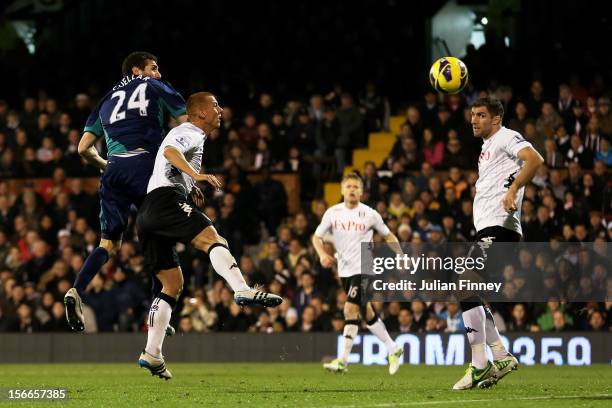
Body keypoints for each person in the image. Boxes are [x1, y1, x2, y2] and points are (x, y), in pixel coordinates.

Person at [135, 92, 282, 379]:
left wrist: (189, 184)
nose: (221, 109)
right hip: (165, 201)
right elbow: (169, 153)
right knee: (214, 239)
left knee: (172, 284)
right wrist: (197, 175)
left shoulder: (191, 134)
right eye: (215, 105)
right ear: (201, 113)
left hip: (148, 213)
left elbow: (168, 164)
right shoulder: (189, 130)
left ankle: (152, 353)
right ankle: (241, 288)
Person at [64, 52, 187, 332]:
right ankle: (159, 313)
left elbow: (83, 147)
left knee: (109, 244)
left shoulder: (106, 99)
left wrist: (106, 164)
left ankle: (77, 290)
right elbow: (186, 122)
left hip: (114, 170)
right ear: (137, 69)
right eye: (154, 68)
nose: (157, 73)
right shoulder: (155, 86)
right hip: (145, 164)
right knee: (160, 234)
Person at [453, 96, 543, 390]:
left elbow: (535, 159)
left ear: (496, 119)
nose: (473, 120)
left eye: (480, 115)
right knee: (469, 290)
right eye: (472, 115)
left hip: (499, 226)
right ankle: (498, 357)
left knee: (465, 282)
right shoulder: (487, 148)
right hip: (487, 227)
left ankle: (483, 363)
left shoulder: (506, 136)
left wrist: (514, 188)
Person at [312, 173, 403, 375]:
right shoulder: (332, 213)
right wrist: (321, 255)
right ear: (342, 190)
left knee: (349, 309)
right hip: (345, 271)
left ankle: (343, 360)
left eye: (356, 186)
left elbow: (388, 235)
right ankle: (394, 348)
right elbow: (317, 237)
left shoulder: (370, 214)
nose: (352, 189)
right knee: (366, 313)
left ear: (361, 191)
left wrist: (401, 255)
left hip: (365, 268)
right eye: (349, 186)